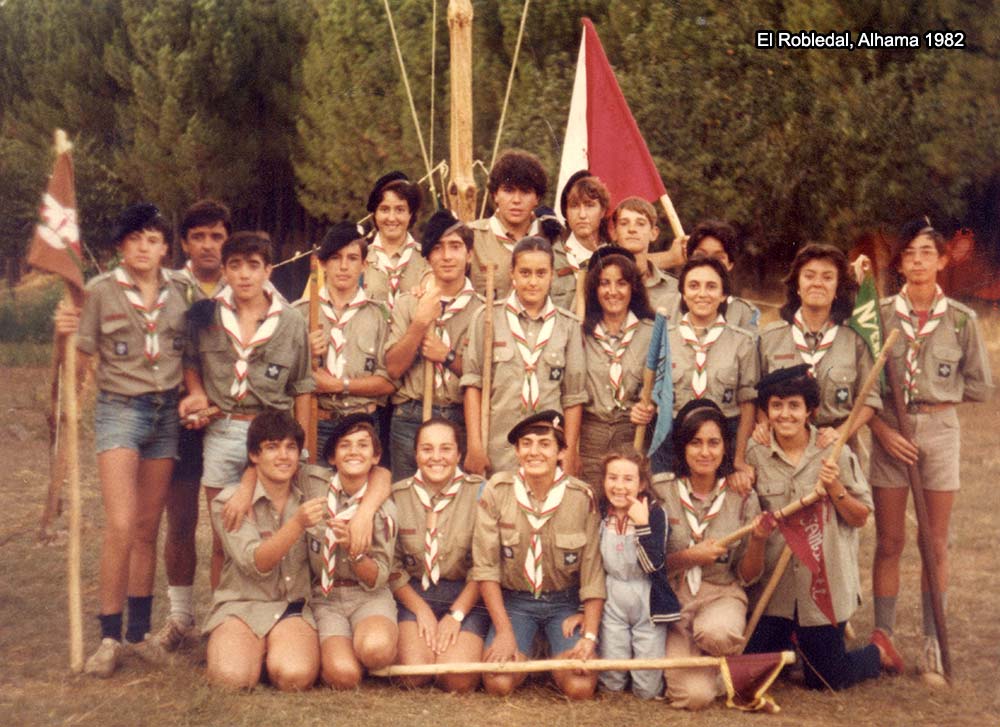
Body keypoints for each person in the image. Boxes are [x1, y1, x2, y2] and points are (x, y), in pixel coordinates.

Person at [867, 218, 993, 685]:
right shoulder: (877, 315)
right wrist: (882, 429)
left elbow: (981, 386)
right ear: (899, 263)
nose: (917, 261)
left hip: (939, 429)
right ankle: (882, 637)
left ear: (942, 260)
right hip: (890, 434)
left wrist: (936, 398)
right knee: (890, 541)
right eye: (909, 254)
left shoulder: (961, 319)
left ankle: (931, 642)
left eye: (927, 253)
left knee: (934, 542)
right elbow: (866, 384)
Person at [75, 203, 188, 677]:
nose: (145, 248)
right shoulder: (100, 292)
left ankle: (140, 636)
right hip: (121, 409)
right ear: (121, 246)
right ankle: (108, 636)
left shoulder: (180, 291)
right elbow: (80, 355)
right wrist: (66, 348)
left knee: (146, 527)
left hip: (166, 413)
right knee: (119, 524)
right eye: (136, 239)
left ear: (166, 248)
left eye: (154, 240)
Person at [743, 365, 903, 690]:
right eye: (776, 406)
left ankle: (877, 652)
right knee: (752, 673)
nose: (785, 415)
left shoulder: (836, 452)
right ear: (766, 411)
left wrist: (836, 490)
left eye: (794, 406)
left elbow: (860, 517)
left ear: (809, 411)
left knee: (826, 679)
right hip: (775, 592)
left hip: (821, 591)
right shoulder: (755, 453)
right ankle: (790, 640)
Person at [178, 231, 314, 589]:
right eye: (235, 266)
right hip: (223, 432)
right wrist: (196, 392)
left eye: (253, 266)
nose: (244, 275)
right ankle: (222, 616)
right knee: (226, 534)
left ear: (268, 270)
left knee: (271, 526)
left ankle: (271, 611)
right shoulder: (206, 315)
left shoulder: (290, 322)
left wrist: (300, 448)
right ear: (223, 270)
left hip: (272, 437)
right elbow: (191, 361)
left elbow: (302, 387)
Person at [472, 411, 605, 699]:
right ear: (517, 451)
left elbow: (593, 575)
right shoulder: (498, 490)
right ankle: (528, 647)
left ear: (560, 452)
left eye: (545, 444)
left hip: (564, 604)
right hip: (516, 603)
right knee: (498, 682)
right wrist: (504, 631)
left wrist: (590, 637)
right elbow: (485, 568)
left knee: (580, 687)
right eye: (527, 444)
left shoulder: (582, 497)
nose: (535, 452)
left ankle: (546, 651)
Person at [651, 400, 766, 709]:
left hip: (720, 594)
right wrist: (690, 557)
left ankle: (712, 656)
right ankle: (706, 671)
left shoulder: (741, 496)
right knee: (695, 697)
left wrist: (757, 541)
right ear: (682, 447)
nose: (705, 452)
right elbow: (649, 564)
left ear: (725, 447)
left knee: (718, 635)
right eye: (695, 443)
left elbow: (747, 575)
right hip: (675, 602)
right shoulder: (661, 491)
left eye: (714, 443)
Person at [154, 199, 231, 653]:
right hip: (179, 418)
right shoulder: (168, 289)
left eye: (216, 236)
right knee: (180, 519)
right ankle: (181, 615)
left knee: (229, 526)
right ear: (183, 243)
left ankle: (226, 616)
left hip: (229, 421)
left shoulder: (246, 283)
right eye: (198, 236)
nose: (208, 245)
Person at [204, 411, 322, 691]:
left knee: (294, 677)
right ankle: (248, 649)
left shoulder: (311, 489)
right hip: (242, 605)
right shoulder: (229, 503)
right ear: (254, 455)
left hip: (292, 607)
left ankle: (273, 651)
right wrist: (297, 524)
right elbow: (258, 563)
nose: (283, 456)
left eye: (290, 447)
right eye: (272, 447)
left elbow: (375, 473)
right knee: (230, 680)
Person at [462, 236, 587, 476]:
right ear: (512, 273)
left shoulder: (568, 326)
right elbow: (473, 384)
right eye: (525, 272)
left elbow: (573, 397)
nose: (532, 282)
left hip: (548, 451)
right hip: (498, 448)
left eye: (541, 273)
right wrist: (475, 445)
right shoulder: (487, 317)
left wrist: (570, 451)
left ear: (551, 275)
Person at [388, 418, 489, 693]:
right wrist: (420, 610)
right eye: (427, 449)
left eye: (445, 449)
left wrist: (455, 616)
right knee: (413, 674)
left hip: (466, 596)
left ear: (459, 454)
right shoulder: (397, 496)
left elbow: (486, 566)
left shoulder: (481, 492)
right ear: (415, 453)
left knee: (457, 679)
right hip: (415, 594)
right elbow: (392, 566)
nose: (436, 458)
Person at [301, 414, 399, 689]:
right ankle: (339, 655)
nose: (354, 451)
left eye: (363, 445)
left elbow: (377, 578)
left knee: (375, 651)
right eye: (345, 445)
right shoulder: (313, 484)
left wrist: (354, 552)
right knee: (343, 677)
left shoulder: (384, 510)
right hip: (325, 596)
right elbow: (274, 463)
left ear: (376, 456)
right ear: (332, 458)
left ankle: (366, 643)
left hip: (367, 596)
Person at [385, 210, 483, 480]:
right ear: (427, 256)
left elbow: (489, 377)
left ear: (470, 254)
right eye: (438, 248)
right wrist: (418, 325)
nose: (447, 256)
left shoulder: (483, 311)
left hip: (461, 416)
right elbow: (393, 368)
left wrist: (447, 355)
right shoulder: (408, 303)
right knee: (408, 503)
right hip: (410, 417)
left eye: (455, 247)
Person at [757, 243, 881, 447]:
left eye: (827, 277)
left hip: (836, 447)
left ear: (837, 288)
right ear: (797, 285)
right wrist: (764, 424)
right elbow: (755, 395)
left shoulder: (855, 341)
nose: (817, 283)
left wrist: (841, 434)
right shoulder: (770, 338)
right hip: (783, 445)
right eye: (809, 275)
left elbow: (870, 399)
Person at [294, 222, 395, 460]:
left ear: (363, 265)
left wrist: (340, 385)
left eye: (352, 258)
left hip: (362, 426)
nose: (343, 266)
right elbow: (283, 379)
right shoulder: (299, 314)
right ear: (322, 263)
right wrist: (304, 355)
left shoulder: (381, 316)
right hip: (316, 424)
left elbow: (389, 382)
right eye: (335, 257)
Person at [657, 257, 758, 484]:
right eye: (693, 286)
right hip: (672, 439)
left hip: (722, 440)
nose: (702, 293)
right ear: (682, 292)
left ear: (723, 295)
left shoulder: (743, 342)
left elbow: (748, 404)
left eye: (711, 286)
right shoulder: (664, 339)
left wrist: (739, 458)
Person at [597, 448, 680, 700]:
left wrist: (642, 525)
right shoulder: (601, 512)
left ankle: (646, 688)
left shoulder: (655, 514)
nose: (619, 486)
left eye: (628, 479)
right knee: (612, 671)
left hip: (647, 595)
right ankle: (613, 689)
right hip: (613, 592)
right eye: (612, 478)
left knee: (647, 687)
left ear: (642, 483)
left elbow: (653, 566)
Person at [579, 248, 656, 490]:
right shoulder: (579, 333)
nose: (613, 292)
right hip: (590, 439)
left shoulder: (652, 332)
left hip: (631, 437)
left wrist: (651, 407)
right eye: (604, 284)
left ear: (633, 287)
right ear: (594, 289)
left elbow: (663, 388)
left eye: (621, 283)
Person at [468, 148, 545, 299]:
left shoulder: (551, 236)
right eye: (508, 191)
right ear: (495, 194)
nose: (516, 200)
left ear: (537, 198)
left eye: (525, 192)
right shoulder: (472, 237)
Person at [362, 171, 427, 310]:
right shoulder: (359, 259)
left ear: (410, 214)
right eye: (384, 210)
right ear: (375, 214)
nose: (392, 218)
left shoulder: (426, 259)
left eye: (400, 210)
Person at [608, 196, 681, 316]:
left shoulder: (675, 288)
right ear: (614, 233)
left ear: (654, 233)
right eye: (624, 223)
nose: (632, 229)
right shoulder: (602, 285)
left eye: (640, 224)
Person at [684, 219, 759, 330]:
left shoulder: (745, 313)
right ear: (688, 258)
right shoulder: (667, 305)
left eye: (718, 258)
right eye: (700, 255)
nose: (708, 263)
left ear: (730, 264)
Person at [560, 170, 610, 270]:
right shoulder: (553, 257)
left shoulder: (615, 254)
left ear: (602, 211)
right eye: (574, 206)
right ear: (567, 212)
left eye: (589, 205)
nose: (582, 215)